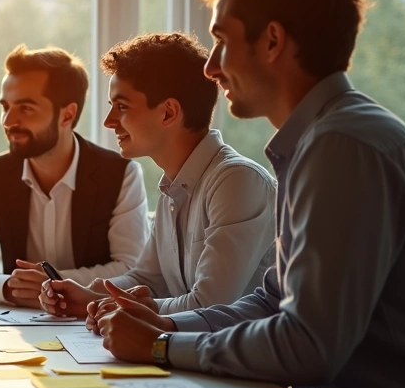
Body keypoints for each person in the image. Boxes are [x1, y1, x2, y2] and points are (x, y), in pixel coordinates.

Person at [92, 0, 405, 388]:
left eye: (220, 40)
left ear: (272, 41)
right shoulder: (324, 139)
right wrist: (166, 325)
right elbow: (271, 300)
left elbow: (306, 345)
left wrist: (161, 348)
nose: (211, 69)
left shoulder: (342, 147)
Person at [39, 33, 275, 317]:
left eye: (122, 106)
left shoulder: (237, 182)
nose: (108, 121)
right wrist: (88, 295)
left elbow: (211, 305)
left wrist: (119, 306)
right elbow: (147, 280)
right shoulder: (173, 188)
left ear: (168, 113)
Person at [0, 45, 149, 308]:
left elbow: (132, 269)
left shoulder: (121, 174)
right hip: (19, 333)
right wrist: (8, 287)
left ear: (67, 114)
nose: (8, 121)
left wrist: (55, 282)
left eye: (25, 108)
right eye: (5, 107)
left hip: (92, 325)